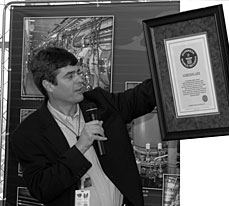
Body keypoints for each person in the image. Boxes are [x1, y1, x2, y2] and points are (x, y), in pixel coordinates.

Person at [11, 47, 156, 206]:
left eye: (78, 72)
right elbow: (42, 188)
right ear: (49, 85)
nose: (80, 80)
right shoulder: (28, 134)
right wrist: (80, 147)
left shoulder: (101, 104)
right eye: (70, 76)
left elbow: (142, 96)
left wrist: (171, 69)